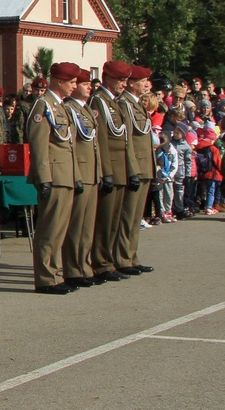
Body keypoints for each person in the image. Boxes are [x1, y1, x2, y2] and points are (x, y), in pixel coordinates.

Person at [27, 62, 82, 294]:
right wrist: (44, 177)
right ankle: (45, 278)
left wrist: (76, 176)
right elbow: (38, 145)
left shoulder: (61, 107)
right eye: (72, 82)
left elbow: (69, 145)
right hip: (54, 175)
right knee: (49, 230)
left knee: (59, 230)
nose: (75, 86)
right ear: (59, 81)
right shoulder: (43, 106)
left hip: (65, 174)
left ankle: (54, 274)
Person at [88, 60, 137, 283]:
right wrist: (106, 171)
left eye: (125, 80)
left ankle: (110, 260)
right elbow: (102, 140)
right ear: (107, 78)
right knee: (105, 220)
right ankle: (101, 263)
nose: (123, 84)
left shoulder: (114, 102)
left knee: (115, 219)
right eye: (120, 80)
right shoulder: (99, 102)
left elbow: (124, 139)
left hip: (121, 168)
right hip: (111, 168)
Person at [115, 65, 157, 276]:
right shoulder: (125, 104)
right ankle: (123, 258)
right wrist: (132, 169)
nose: (146, 84)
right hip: (135, 167)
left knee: (136, 217)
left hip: (145, 166)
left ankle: (132, 256)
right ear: (131, 83)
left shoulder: (138, 104)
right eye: (142, 81)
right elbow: (127, 140)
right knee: (128, 215)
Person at [63, 69, 102, 288]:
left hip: (91, 172)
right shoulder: (70, 110)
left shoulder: (85, 110)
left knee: (87, 226)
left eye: (89, 84)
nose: (89, 87)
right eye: (84, 84)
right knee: (76, 225)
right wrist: (75, 174)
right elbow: (71, 146)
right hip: (80, 172)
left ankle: (84, 266)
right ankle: (72, 268)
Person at [10, 77, 47, 143]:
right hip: (29, 141)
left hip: (44, 141)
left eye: (42, 90)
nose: (39, 93)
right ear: (32, 90)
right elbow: (18, 128)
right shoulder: (23, 105)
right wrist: (20, 145)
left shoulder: (48, 105)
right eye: (36, 90)